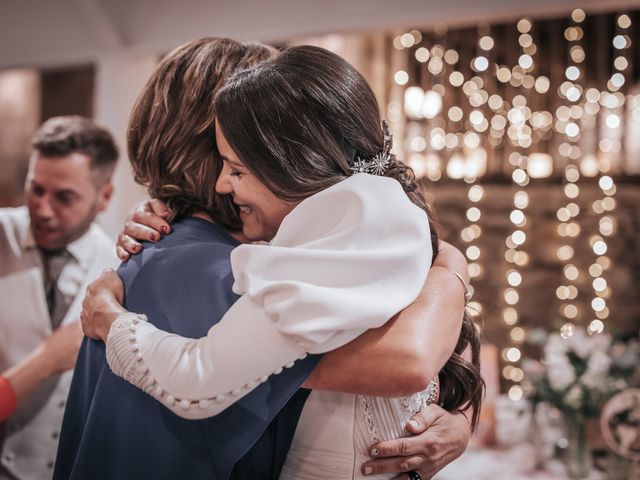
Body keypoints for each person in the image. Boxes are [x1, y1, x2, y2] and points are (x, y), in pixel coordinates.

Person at [82, 45, 482, 479]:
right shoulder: (385, 221)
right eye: (224, 164)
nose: (224, 181)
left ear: (288, 163)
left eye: (236, 167)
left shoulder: (297, 260)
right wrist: (450, 267)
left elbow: (411, 361)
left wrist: (109, 318)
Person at [0, 116, 119, 480]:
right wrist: (48, 359)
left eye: (64, 197)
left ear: (105, 197)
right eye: (36, 189)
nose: (43, 209)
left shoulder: (119, 264)